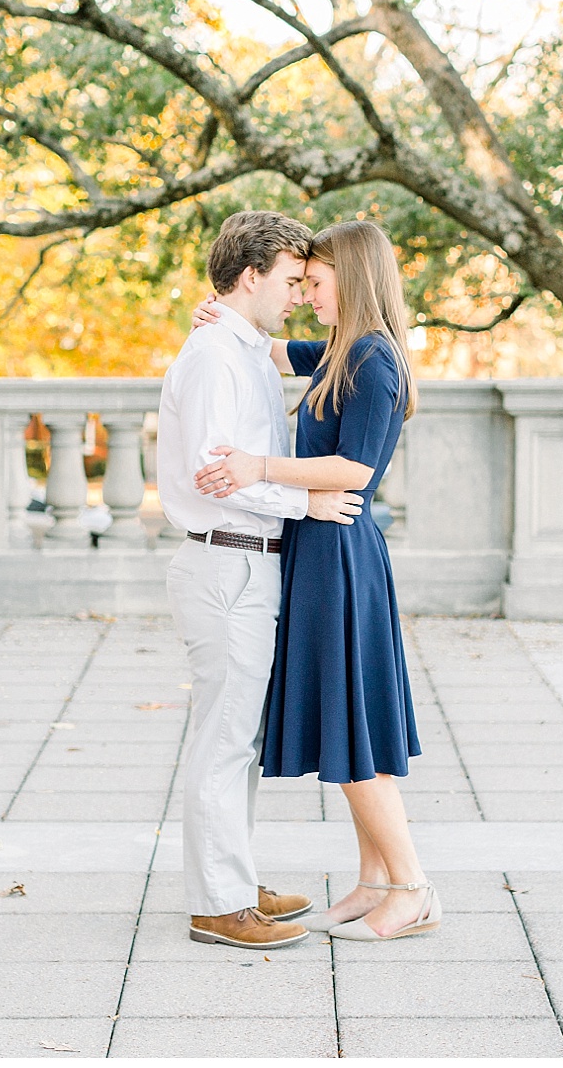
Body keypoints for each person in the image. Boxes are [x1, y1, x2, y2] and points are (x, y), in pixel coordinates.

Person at [192, 219, 438, 942]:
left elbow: (355, 469)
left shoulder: (373, 360)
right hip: (321, 549)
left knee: (352, 728)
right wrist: (222, 315)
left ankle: (413, 888)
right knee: (347, 724)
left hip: (341, 553)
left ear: (352, 279)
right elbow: (269, 346)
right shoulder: (338, 350)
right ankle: (374, 881)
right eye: (298, 282)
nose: (305, 294)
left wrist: (257, 467)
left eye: (316, 282)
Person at [156, 210, 365, 951]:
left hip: (246, 560)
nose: (300, 294)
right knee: (224, 739)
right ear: (251, 276)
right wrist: (306, 502)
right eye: (290, 279)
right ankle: (218, 903)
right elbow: (215, 474)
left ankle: (234, 884)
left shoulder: (241, 347)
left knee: (237, 738)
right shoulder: (216, 357)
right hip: (227, 559)